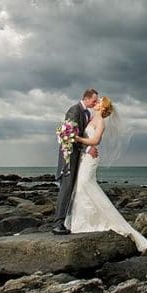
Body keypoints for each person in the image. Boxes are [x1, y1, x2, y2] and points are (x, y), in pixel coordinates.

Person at [64, 95, 147, 253]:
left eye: (99, 102)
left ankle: (96, 222)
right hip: (84, 156)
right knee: (81, 187)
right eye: (96, 101)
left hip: (90, 159)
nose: (96, 103)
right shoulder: (90, 118)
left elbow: (95, 141)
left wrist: (76, 138)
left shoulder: (100, 122)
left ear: (103, 108)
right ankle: (80, 223)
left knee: (85, 185)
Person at [52, 88, 99, 235]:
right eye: (94, 100)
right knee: (66, 189)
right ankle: (58, 224)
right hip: (69, 157)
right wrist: (86, 148)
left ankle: (66, 221)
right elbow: (69, 136)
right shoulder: (74, 110)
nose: (96, 102)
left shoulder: (86, 113)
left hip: (76, 157)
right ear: (86, 98)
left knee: (71, 189)